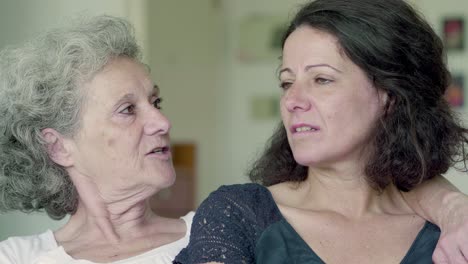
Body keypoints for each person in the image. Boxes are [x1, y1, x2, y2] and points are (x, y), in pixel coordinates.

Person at [174, 0, 468, 263]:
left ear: (389, 95)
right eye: (287, 83)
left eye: (322, 79)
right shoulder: (238, 214)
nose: (292, 100)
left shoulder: (448, 234)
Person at [0, 15, 193, 263]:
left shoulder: (218, 234)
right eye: (128, 110)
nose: (163, 122)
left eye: (156, 102)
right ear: (58, 147)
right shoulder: (16, 258)